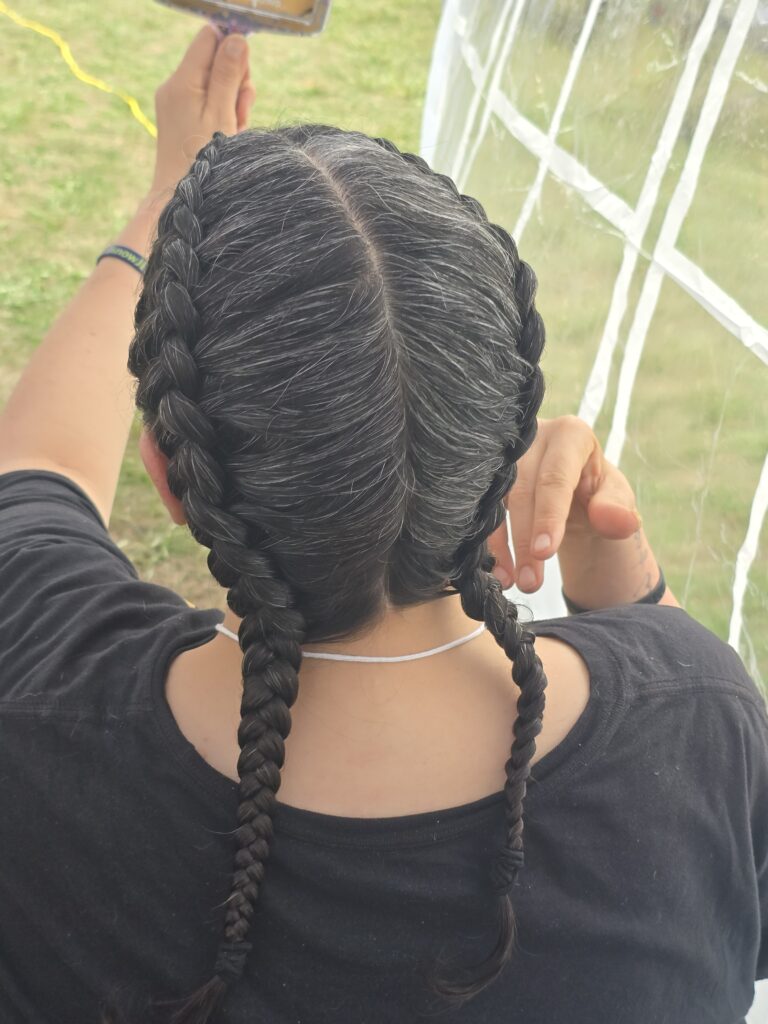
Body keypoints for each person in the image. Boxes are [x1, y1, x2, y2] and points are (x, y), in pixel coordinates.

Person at [0, 25, 764, 1024]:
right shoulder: (696, 721)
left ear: (170, 476)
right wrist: (637, 602)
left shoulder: (40, 715)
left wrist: (161, 196)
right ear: (498, 450)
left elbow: (37, 470)